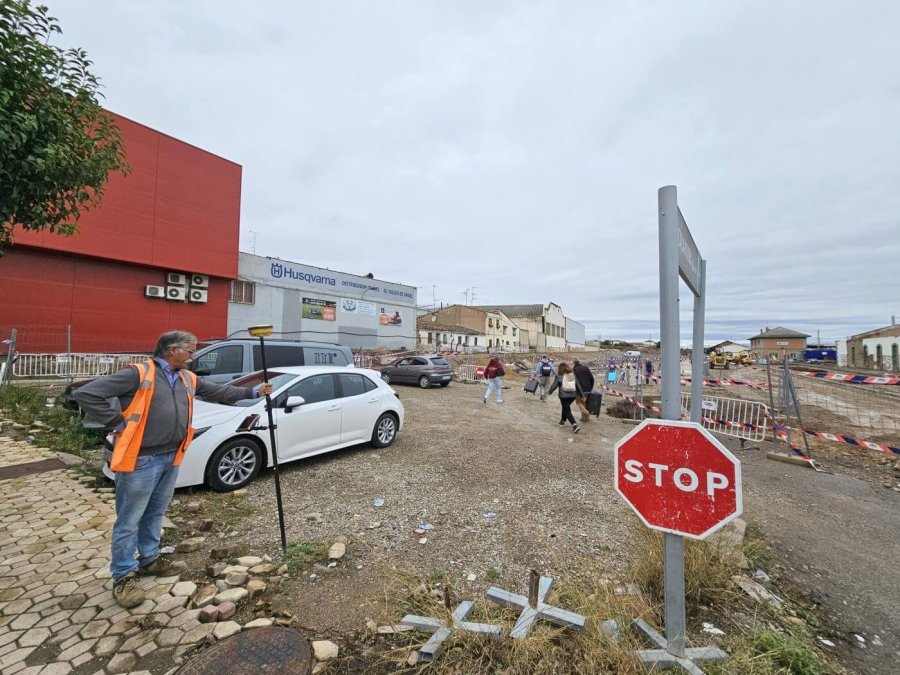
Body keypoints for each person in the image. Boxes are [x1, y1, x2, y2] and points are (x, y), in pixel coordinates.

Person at [74, 331, 273, 609]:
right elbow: (87, 394)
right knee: (129, 519)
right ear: (171, 350)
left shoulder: (186, 378)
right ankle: (123, 576)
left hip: (171, 456)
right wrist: (117, 423)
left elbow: (220, 392)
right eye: (189, 350)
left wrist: (253, 392)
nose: (193, 355)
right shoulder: (138, 374)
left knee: (156, 511)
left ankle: (149, 560)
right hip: (141, 459)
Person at [548, 362, 582, 433]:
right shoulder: (572, 375)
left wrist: (549, 392)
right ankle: (562, 421)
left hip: (563, 396)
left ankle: (574, 425)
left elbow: (554, 385)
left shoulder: (559, 376)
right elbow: (578, 385)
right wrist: (582, 395)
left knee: (567, 410)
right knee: (565, 407)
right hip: (572, 396)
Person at [572, 357, 595, 423]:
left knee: (579, 402)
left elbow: (574, 381)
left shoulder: (574, 370)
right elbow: (592, 379)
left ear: (573, 363)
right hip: (588, 389)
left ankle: (586, 412)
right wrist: (591, 387)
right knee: (585, 403)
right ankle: (585, 419)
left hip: (580, 390)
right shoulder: (586, 368)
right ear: (579, 361)